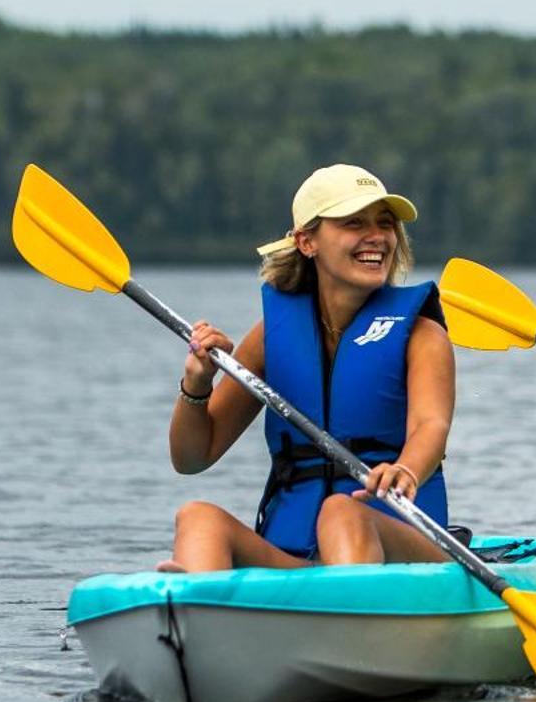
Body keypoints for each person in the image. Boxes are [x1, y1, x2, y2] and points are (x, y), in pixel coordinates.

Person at [157, 164, 455, 572]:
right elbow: (192, 457)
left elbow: (430, 426)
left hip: (406, 553)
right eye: (354, 223)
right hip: (302, 560)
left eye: (385, 224)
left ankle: (349, 618)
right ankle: (192, 610)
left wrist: (406, 469)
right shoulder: (273, 337)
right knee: (197, 517)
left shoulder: (421, 334)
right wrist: (197, 384)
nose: (377, 236)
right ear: (306, 241)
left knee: (341, 512)